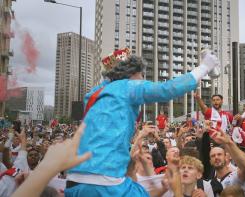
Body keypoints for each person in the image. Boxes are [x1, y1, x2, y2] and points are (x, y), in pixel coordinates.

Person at [65, 48, 221, 196]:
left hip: (74, 180)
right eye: (141, 74)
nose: (143, 79)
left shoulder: (94, 93)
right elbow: (167, 89)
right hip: (104, 180)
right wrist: (204, 67)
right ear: (132, 73)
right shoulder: (128, 86)